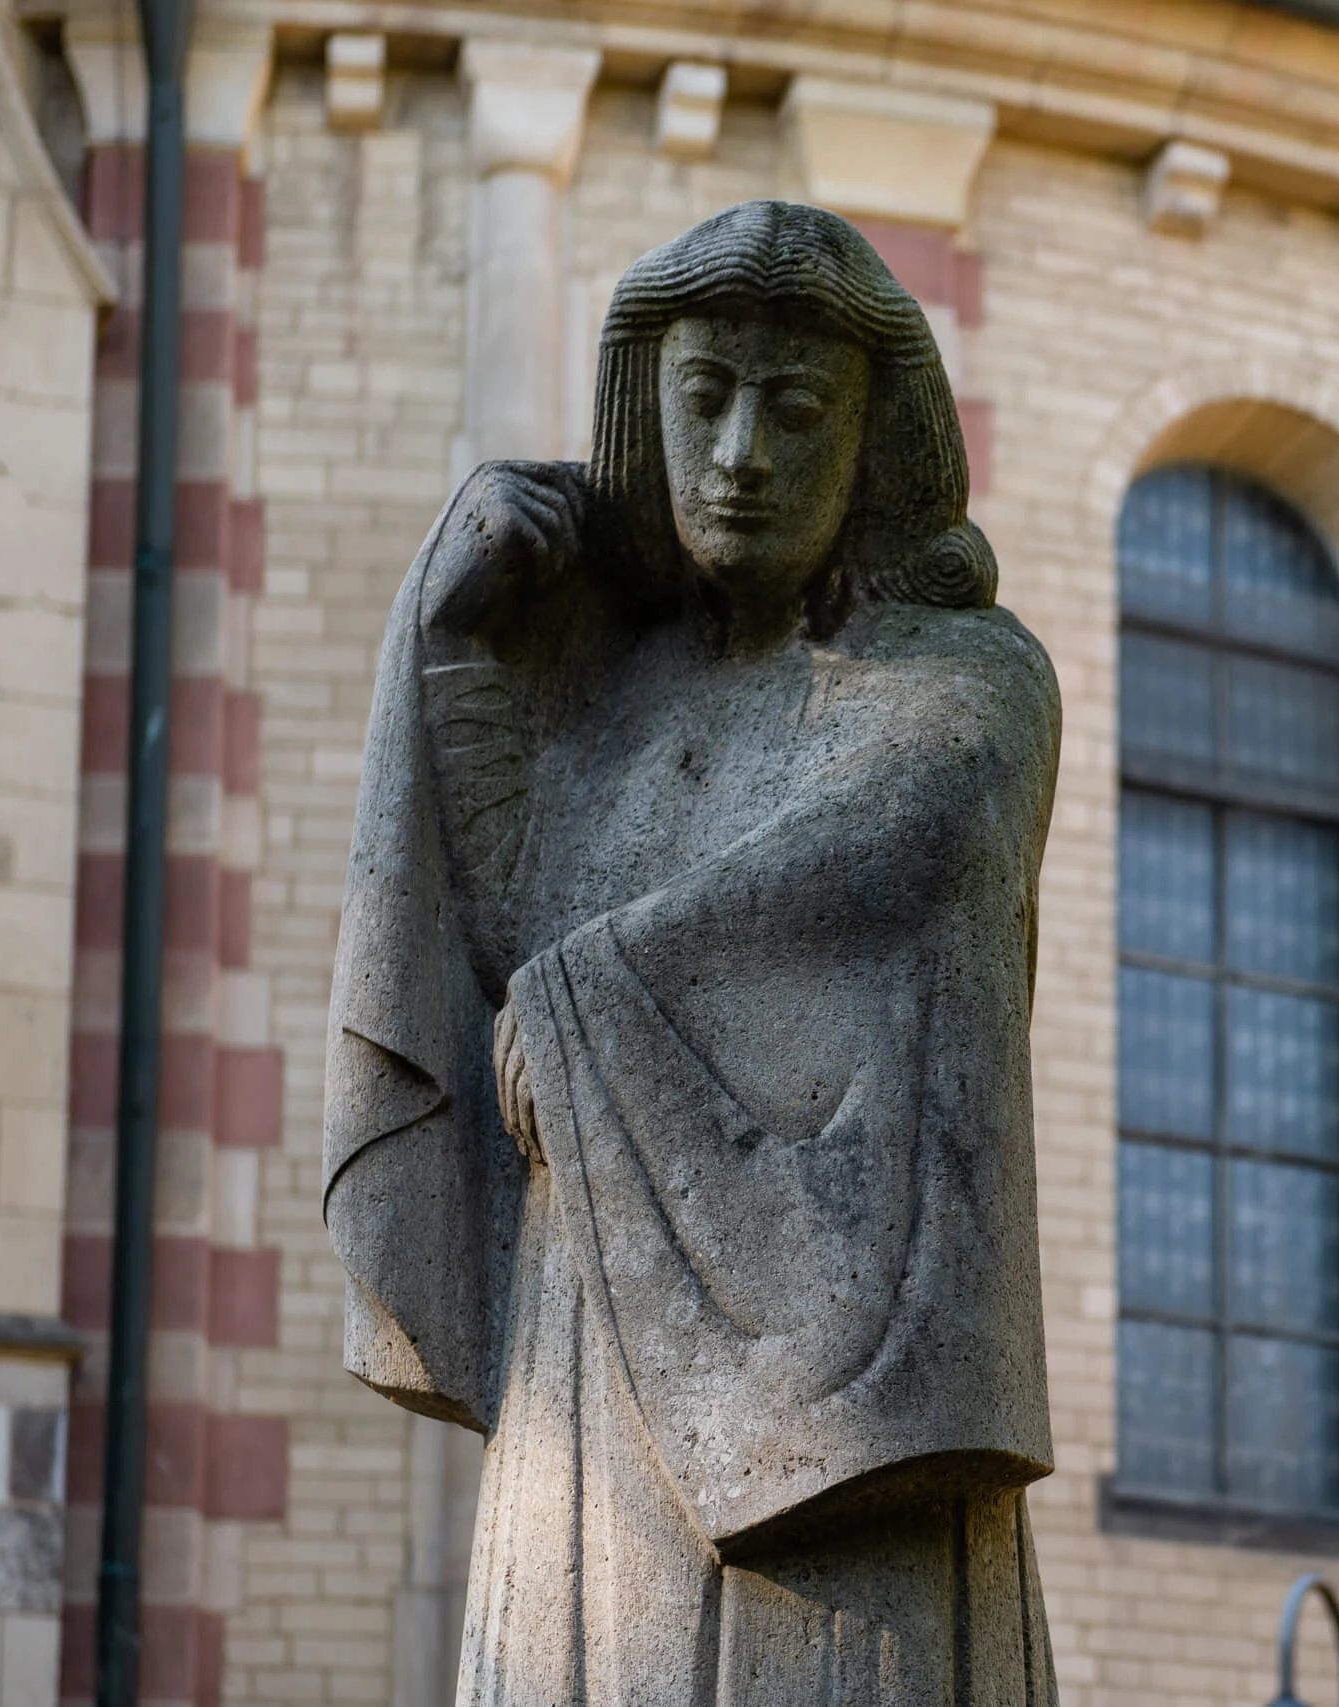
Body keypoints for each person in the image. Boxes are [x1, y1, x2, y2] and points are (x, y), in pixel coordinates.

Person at [323, 201, 1062, 1706]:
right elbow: (513, 924)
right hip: (584, 1374)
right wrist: (460, 642)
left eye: (796, 410)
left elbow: (897, 839)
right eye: (705, 398)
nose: (741, 455)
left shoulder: (964, 675)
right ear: (644, 409)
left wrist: (589, 1001)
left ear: (874, 434)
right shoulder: (613, 697)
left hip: (846, 1445)